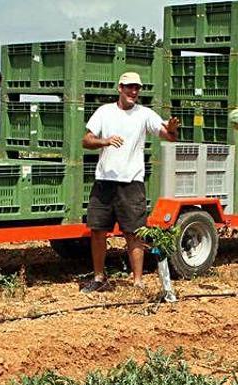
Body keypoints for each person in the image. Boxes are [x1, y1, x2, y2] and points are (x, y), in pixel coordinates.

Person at [79, 72, 180, 292]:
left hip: (131, 183)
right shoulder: (104, 112)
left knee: (134, 233)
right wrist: (104, 141)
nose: (133, 92)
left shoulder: (145, 114)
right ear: (120, 88)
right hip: (104, 181)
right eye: (129, 87)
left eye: (137, 88)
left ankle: (138, 282)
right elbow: (86, 140)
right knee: (97, 231)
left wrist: (172, 129)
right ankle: (99, 279)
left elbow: (170, 137)